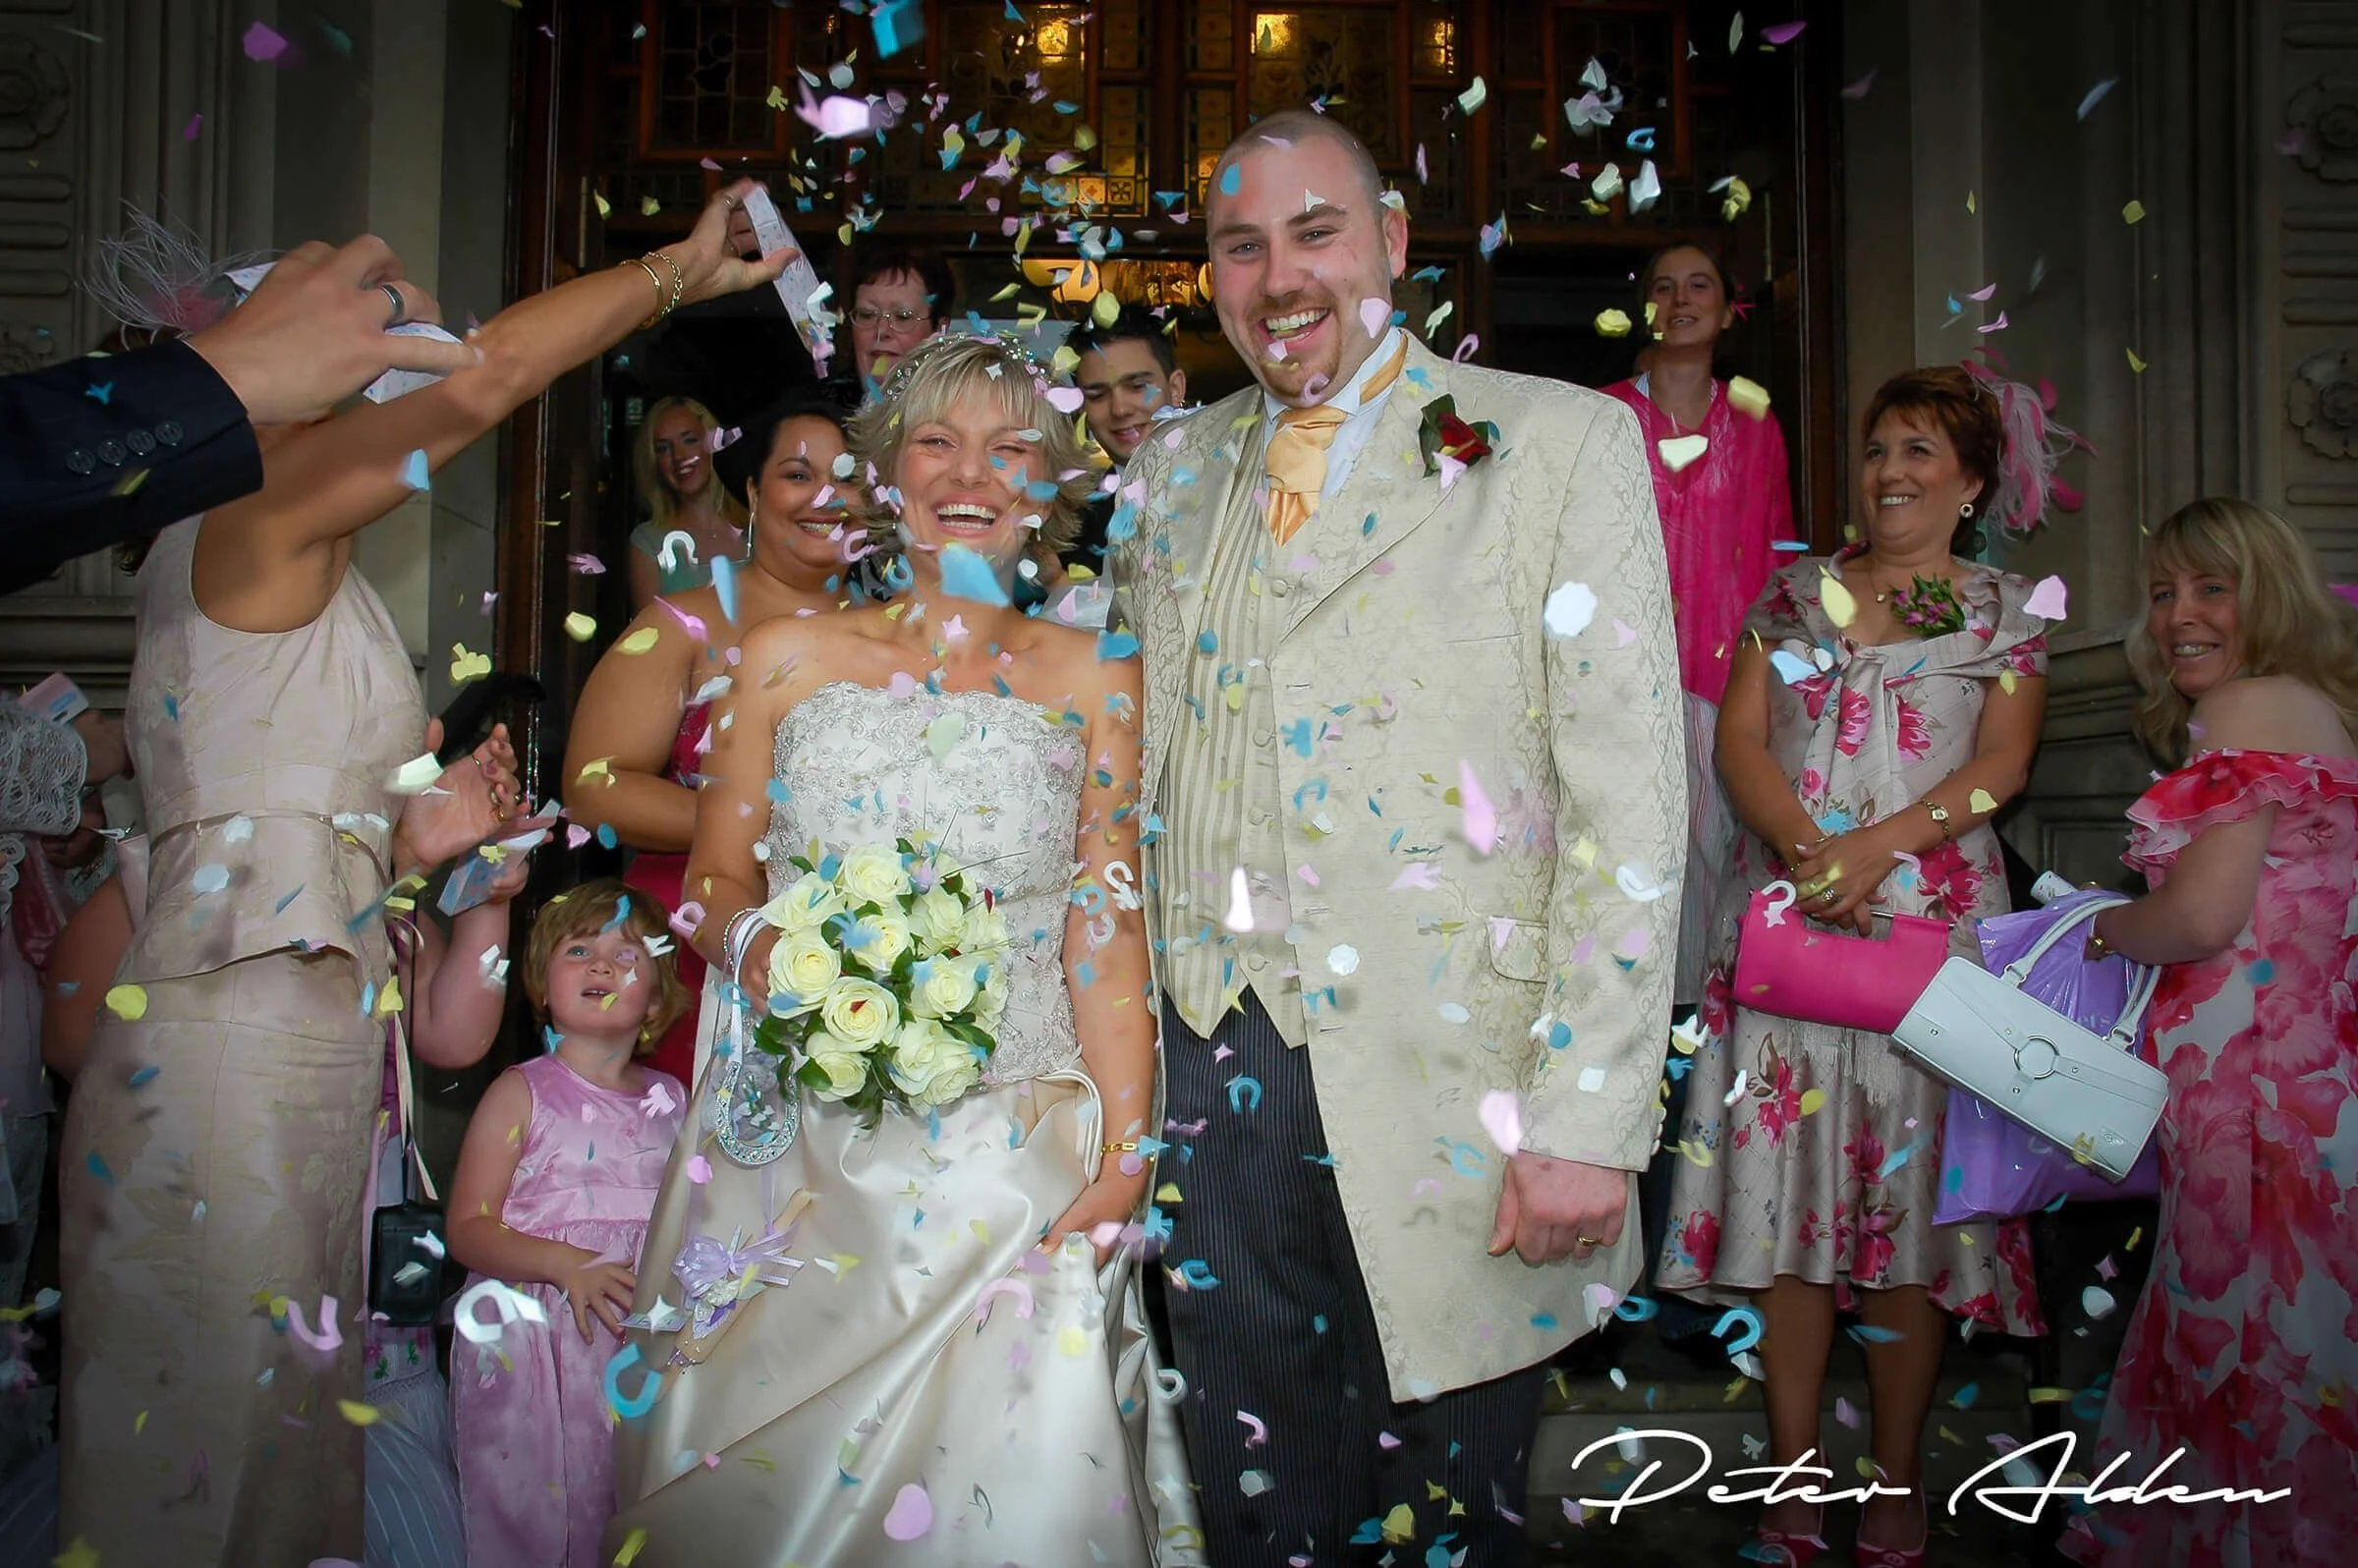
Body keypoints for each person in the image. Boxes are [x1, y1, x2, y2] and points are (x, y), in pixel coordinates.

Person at [51, 180, 789, 1566]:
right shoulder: (257, 504)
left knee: (266, 1427)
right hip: (238, 1038)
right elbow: (494, 375)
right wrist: (673, 277)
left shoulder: (263, 547)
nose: (395, 374)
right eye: (370, 350)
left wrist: (420, 841)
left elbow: (259, 808)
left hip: (303, 1027)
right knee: (212, 1430)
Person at [1106, 111, 1686, 1564]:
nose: (1280, 275)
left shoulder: (1558, 444)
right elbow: (1129, 779)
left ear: (1394, 248)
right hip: (1206, 1062)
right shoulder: (1166, 481)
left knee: (1445, 1517)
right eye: (1244, 246)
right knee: (1262, 1511)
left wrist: (1587, 1117)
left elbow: (1631, 802)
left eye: (1316, 233)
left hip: (1468, 1094)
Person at [603, 332, 1194, 1565]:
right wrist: (770, 949)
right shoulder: (782, 661)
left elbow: (1107, 921)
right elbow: (710, 885)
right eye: (938, 439)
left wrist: (1128, 1153)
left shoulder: (1099, 678)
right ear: (888, 469)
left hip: (1011, 1158)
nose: (969, 471)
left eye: (1010, 445)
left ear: (1051, 484)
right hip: (797, 1160)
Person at [1659, 364, 2062, 1566]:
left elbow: (2006, 764)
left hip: (1925, 940)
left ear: (1973, 481)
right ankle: (1791, 1481)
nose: (1891, 471)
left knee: (1904, 1219)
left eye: (1921, 453)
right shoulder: (1796, 598)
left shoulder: (2006, 614)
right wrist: (1805, 848)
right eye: (1881, 448)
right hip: (1792, 936)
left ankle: (1893, 1480)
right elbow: (1739, 739)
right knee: (1784, 1215)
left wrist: (1878, 848)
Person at [2058, 498, 2358, 1568]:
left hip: (2260, 1106)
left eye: (2209, 588)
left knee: (2248, 1348)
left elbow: (2199, 917)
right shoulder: (2313, 706)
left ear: (2265, 594)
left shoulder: (2247, 707)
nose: (2178, 614)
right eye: (2160, 593)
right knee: (2308, 1346)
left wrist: (2097, 935)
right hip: (2311, 1100)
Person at [569, 394, 857, 1087]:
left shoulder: (896, 637)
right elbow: (591, 788)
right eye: (797, 474)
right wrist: (752, 827)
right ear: (753, 492)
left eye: (846, 475)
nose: (826, 494)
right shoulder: (679, 623)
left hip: (848, 952)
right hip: (694, 948)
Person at [0, 233, 480, 591]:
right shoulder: (256, 530)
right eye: (310, 410)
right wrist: (226, 373)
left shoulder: (204, 543)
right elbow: (495, 381)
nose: (329, 424)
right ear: (258, 428)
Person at [447, 879, 688, 1568]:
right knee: (544, 1512)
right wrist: (561, 1263)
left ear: (658, 994)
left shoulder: (672, 1100)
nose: (603, 966)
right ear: (542, 984)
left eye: (627, 953)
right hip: (542, 1343)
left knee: (627, 1501)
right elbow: (467, 1226)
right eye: (580, 949)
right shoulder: (521, 1091)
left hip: (635, 1339)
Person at [1601, 244, 1798, 1006]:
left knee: (1720, 874)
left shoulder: (1753, 415)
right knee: (1630, 876)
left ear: (1727, 309)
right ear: (1643, 308)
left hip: (1729, 688)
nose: (1680, 299)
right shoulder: (1606, 411)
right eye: (1662, 287)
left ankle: (1706, 1064)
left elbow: (1780, 553)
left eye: (1699, 285)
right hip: (1623, 681)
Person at [1066, 306, 1190, 570]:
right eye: (1097, 395)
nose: (1120, 409)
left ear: (1176, 388)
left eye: (1137, 387)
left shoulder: (1233, 487)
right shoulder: (1069, 526)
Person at [625, 395, 748, 607]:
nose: (679, 456)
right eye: (664, 448)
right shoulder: (648, 543)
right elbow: (651, 637)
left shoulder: (758, 529)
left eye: (689, 440)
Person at [837, 243, 952, 399]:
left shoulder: (965, 413)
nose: (881, 331)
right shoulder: (818, 416)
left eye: (903, 316)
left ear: (939, 330)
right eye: (867, 314)